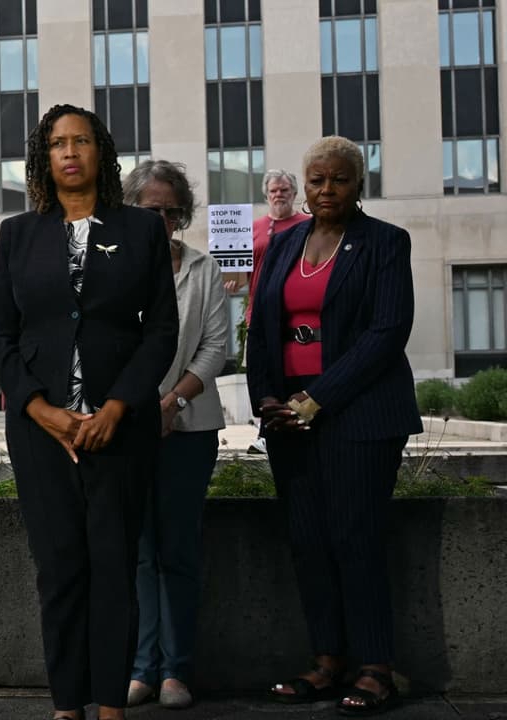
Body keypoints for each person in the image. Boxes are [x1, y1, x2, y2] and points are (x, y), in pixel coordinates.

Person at [0, 104, 178, 720]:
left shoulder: (143, 229)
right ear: (44, 157)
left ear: (102, 151)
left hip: (119, 428)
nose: (70, 152)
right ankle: (68, 704)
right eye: (58, 143)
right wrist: (40, 409)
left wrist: (118, 405)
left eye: (82, 141)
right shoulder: (18, 234)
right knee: (60, 568)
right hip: (41, 431)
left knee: (115, 566)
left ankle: (112, 704)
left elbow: (162, 332)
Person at [247, 137, 420, 716]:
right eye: (316, 180)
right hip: (288, 421)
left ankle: (377, 667)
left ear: (358, 184)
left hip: (360, 415)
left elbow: (385, 334)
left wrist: (314, 401)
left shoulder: (385, 244)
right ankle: (327, 662)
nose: (326, 190)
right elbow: (261, 326)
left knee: (354, 536)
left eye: (339, 180)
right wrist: (268, 401)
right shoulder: (284, 243)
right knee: (307, 540)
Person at [122, 161, 228, 710]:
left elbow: (216, 348)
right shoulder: (114, 268)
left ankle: (176, 672)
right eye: (149, 210)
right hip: (128, 427)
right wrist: (139, 408)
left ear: (181, 214)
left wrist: (172, 401)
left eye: (169, 211)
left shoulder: (203, 269)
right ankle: (143, 668)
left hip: (189, 427)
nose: (160, 220)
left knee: (178, 550)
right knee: (140, 552)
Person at [230, 170, 311, 455]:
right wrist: (232, 280)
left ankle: (293, 426)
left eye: (285, 190)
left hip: (296, 316)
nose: (279, 194)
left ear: (294, 193)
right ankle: (267, 431)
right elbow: (240, 276)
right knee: (262, 373)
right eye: (274, 190)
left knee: (294, 374)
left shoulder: (309, 226)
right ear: (266, 194)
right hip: (259, 314)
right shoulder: (251, 229)